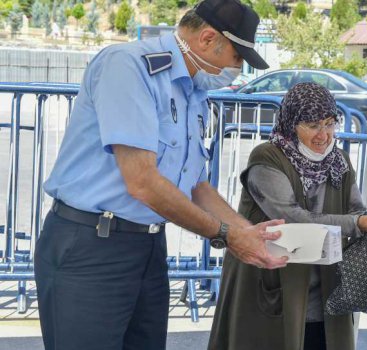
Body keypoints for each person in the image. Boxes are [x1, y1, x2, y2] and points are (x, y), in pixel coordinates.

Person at [34, 1, 287, 349]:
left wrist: (250, 233)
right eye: (236, 56)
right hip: (91, 246)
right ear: (207, 38)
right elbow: (142, 182)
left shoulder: (194, 92)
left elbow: (196, 185)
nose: (238, 68)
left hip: (148, 246)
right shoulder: (129, 67)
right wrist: (227, 236)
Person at [208, 82, 367, 350]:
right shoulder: (267, 158)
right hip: (274, 284)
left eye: (329, 124)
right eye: (312, 126)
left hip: (325, 290)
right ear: (291, 124)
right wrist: (360, 223)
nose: (323, 135)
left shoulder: (339, 161)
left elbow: (356, 210)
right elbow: (291, 217)